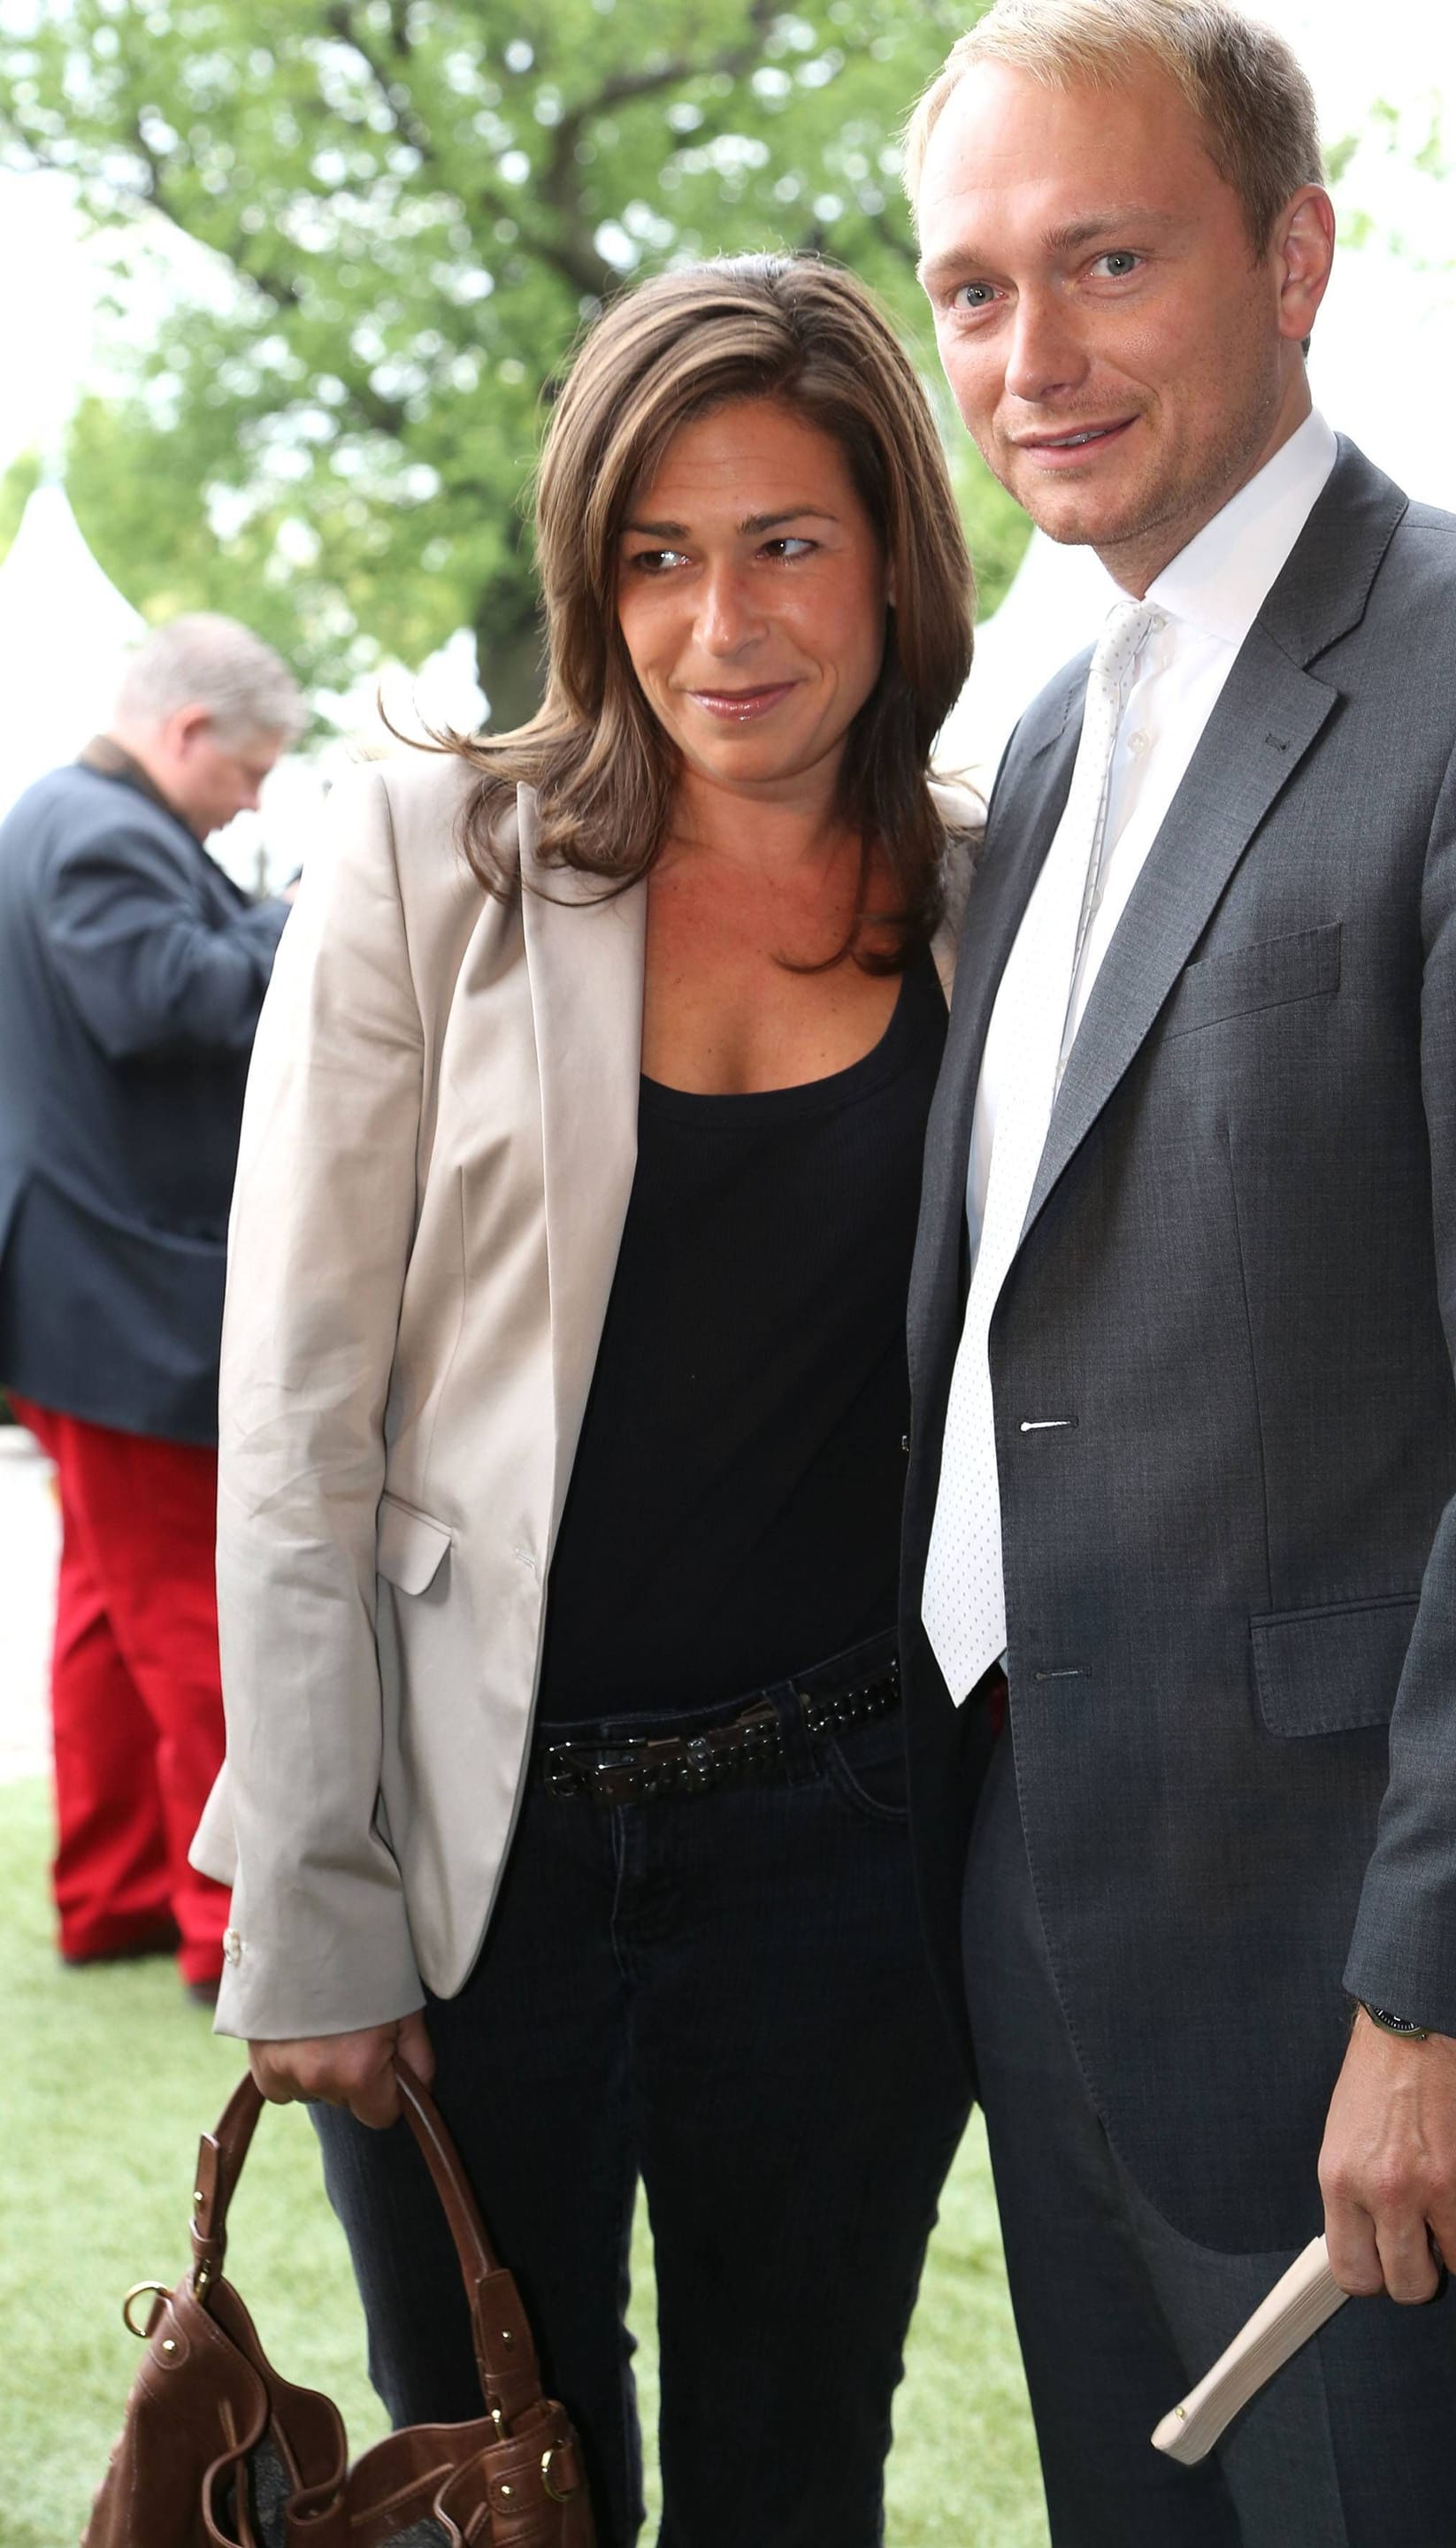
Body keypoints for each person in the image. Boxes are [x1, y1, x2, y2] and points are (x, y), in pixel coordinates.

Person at [897, 3, 1456, 2541]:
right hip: (1055, 1925)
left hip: (1368, 1975)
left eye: (1107, 263)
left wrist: (1448, 1988)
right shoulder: (1043, 742)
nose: (1033, 358)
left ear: (1296, 253)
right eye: (978, 289)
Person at [192, 256, 978, 2548]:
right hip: (463, 1861)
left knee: (793, 2474)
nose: (718, 620)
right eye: (658, 551)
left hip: (839, 1851)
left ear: (890, 553)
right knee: (497, 2491)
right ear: (589, 572)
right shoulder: (430, 859)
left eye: (783, 541)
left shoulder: (988, 880)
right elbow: (298, 1408)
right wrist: (312, 1902)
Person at [0, 615, 303, 2003]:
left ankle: (115, 1893)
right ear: (185, 733)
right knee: (188, 1613)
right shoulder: (99, 833)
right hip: (124, 1296)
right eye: (247, 770)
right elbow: (159, 996)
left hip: (86, 1292)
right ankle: (213, 1925)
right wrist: (320, 934)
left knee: (107, 1611)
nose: (253, 798)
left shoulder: (81, 821)